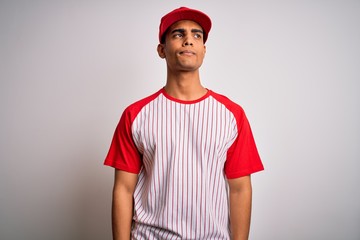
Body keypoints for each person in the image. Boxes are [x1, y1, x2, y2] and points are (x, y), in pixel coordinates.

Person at [104, 6, 264, 240]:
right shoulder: (136, 114)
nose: (188, 40)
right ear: (161, 49)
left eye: (196, 35)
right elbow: (123, 189)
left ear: (204, 50)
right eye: (178, 34)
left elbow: (240, 189)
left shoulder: (232, 114)